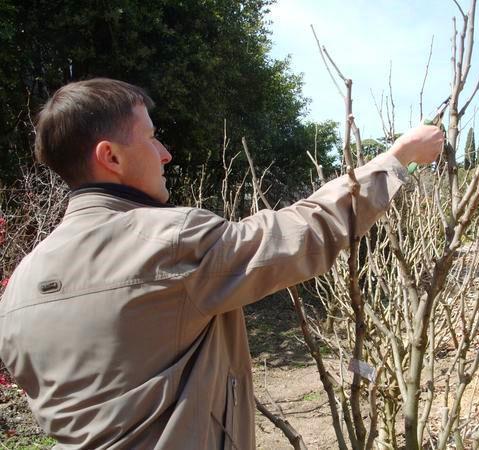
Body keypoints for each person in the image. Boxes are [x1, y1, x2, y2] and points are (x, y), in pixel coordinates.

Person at [0, 78, 443, 449]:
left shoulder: (19, 288)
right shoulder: (169, 243)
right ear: (110, 157)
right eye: (151, 137)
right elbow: (306, 232)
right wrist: (397, 158)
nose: (165, 153)